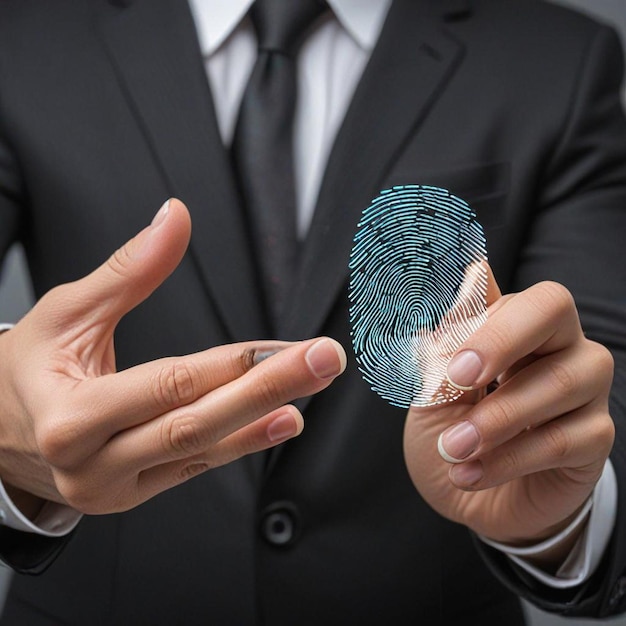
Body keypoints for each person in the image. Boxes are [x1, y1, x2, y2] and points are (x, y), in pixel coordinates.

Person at [0, 0, 624, 623]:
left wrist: (557, 499)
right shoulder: (27, 37)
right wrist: (11, 420)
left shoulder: (556, 59)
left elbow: (603, 382)